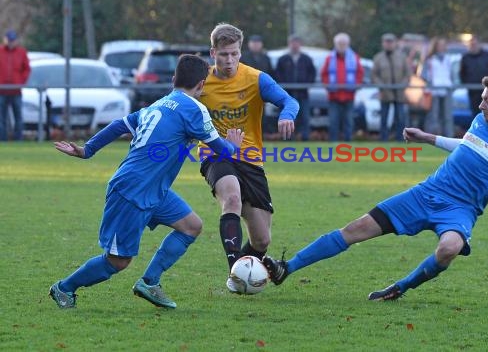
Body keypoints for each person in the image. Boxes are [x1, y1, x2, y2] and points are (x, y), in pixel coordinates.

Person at [263, 75, 488, 301]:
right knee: (356, 229)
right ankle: (286, 268)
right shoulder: (481, 121)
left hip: (461, 209)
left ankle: (399, 288)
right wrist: (428, 138)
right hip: (426, 193)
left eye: (487, 101)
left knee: (449, 248)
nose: (480, 105)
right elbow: (470, 144)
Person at [49, 55, 245, 309]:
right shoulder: (194, 109)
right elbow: (222, 149)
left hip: (153, 189)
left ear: (174, 79)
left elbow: (120, 124)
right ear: (201, 85)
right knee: (118, 261)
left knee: (191, 226)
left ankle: (149, 282)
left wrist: (88, 150)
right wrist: (234, 146)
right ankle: (64, 288)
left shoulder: (160, 104)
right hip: (132, 191)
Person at [198, 23, 299, 293]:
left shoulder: (256, 78)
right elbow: (175, 105)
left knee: (262, 240)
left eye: (234, 54)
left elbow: (290, 101)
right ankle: (235, 270)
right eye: (223, 55)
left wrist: (287, 114)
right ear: (212, 53)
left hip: (251, 159)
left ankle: (249, 268)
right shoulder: (201, 81)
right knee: (231, 198)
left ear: (240, 52)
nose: (229, 61)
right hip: (216, 154)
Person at [321, 33, 364, 142]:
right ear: (335, 44)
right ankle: (333, 142)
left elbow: (360, 73)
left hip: (349, 95)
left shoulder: (354, 58)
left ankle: (348, 142)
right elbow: (324, 73)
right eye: (339, 43)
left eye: (343, 43)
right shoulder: (329, 58)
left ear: (348, 44)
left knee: (348, 121)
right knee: (333, 121)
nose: (341, 46)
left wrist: (357, 84)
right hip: (333, 95)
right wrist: (327, 85)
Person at [274, 34, 316, 141]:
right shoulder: (283, 59)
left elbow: (312, 73)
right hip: (287, 95)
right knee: (288, 117)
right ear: (289, 44)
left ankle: (305, 137)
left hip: (303, 94)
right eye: (292, 43)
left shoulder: (306, 59)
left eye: (297, 43)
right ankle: (288, 138)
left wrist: (306, 84)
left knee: (304, 117)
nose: (295, 45)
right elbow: (277, 74)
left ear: (300, 44)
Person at [372, 33, 411, 141]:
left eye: (391, 42)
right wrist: (382, 85)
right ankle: (383, 139)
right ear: (383, 44)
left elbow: (407, 73)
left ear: (395, 43)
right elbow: (374, 75)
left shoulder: (402, 57)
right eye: (386, 42)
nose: (388, 44)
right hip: (385, 94)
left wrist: (402, 84)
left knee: (400, 118)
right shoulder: (378, 58)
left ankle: (401, 139)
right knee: (384, 118)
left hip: (399, 94)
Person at [0, 30, 30, 141]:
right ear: (5, 39)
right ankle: (2, 140)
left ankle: (18, 140)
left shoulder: (21, 52)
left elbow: (26, 69)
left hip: (16, 91)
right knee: (1, 118)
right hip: (1, 91)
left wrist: (21, 82)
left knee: (18, 118)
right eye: (9, 40)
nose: (11, 42)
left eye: (13, 40)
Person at [460, 35, 488, 122]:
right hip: (472, 91)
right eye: (471, 44)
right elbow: (462, 73)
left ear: (479, 44)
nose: (473, 45)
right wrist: (467, 84)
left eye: (475, 43)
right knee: (475, 113)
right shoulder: (465, 57)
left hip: (487, 91)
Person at [422, 37, 454, 137]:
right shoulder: (430, 60)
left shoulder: (448, 59)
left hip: (446, 89)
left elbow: (451, 74)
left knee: (447, 116)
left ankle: (449, 136)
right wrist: (430, 83)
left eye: (443, 45)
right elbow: (424, 74)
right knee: (433, 115)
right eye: (440, 45)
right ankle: (432, 136)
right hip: (434, 90)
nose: (442, 47)